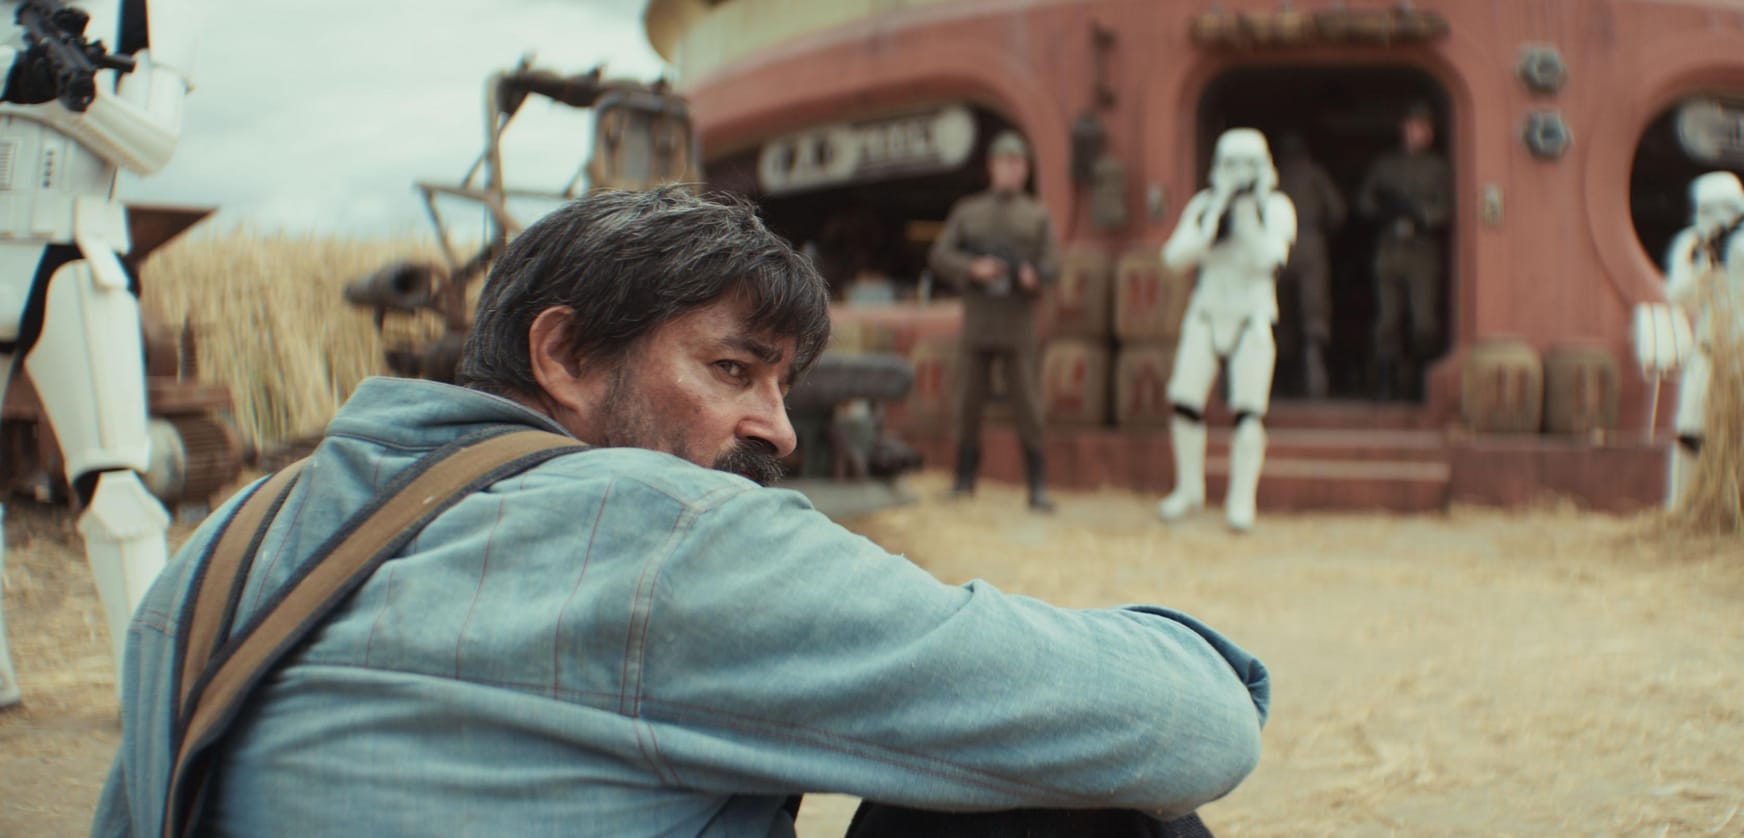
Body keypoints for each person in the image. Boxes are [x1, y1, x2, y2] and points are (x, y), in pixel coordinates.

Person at [93, 187, 1270, 836]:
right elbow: (1195, 726)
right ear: (561, 354)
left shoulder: (230, 537)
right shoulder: (661, 532)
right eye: (730, 370)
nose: (779, 428)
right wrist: (1205, 653)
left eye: (781, 384)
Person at [0, 0, 195, 708]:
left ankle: (146, 695)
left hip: (74, 250)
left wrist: (72, 100)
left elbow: (151, 148)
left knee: (114, 486)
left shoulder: (144, 8)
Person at [1157, 128, 1298, 533]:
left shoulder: (1276, 207)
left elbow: (1269, 260)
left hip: (1251, 317)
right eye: (1230, 164)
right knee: (1185, 402)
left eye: (1246, 164)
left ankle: (1241, 498)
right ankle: (1188, 489)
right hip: (1205, 313)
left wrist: (1246, 217)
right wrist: (1214, 217)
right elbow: (1173, 258)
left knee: (1248, 412)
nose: (1237, 173)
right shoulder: (1204, 204)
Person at [1634, 171, 1744, 510]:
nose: (1706, 220)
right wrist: (1705, 263)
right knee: (1691, 429)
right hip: (1709, 350)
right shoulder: (1692, 243)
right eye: (1702, 211)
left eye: (1716, 211)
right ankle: (1681, 507)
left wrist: (1740, 249)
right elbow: (1678, 294)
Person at [929, 131, 1061, 511]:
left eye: (1017, 162)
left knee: (1028, 404)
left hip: (1018, 322)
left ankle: (1036, 484)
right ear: (992, 167)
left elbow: (1054, 262)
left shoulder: (1036, 214)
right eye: (1004, 162)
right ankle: (963, 479)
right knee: (968, 401)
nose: (1010, 169)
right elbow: (941, 254)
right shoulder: (969, 211)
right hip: (979, 320)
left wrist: (1034, 276)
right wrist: (974, 268)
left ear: (1025, 169)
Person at [1356, 101, 1452, 402]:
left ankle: (1421, 386)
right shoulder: (1386, 164)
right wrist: (1384, 211)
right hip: (1389, 249)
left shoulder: (1439, 167)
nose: (1416, 133)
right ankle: (1388, 386)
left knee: (1424, 322)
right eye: (1411, 126)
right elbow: (1363, 200)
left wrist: (1420, 214)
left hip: (1422, 252)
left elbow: (1447, 209)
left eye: (1422, 128)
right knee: (1387, 322)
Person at [1274, 133, 1347, 399]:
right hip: (1310, 241)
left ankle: (1282, 379)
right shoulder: (1315, 175)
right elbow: (1337, 211)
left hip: (1279, 245)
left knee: (1281, 311)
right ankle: (1314, 374)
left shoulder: (1273, 177)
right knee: (1314, 310)